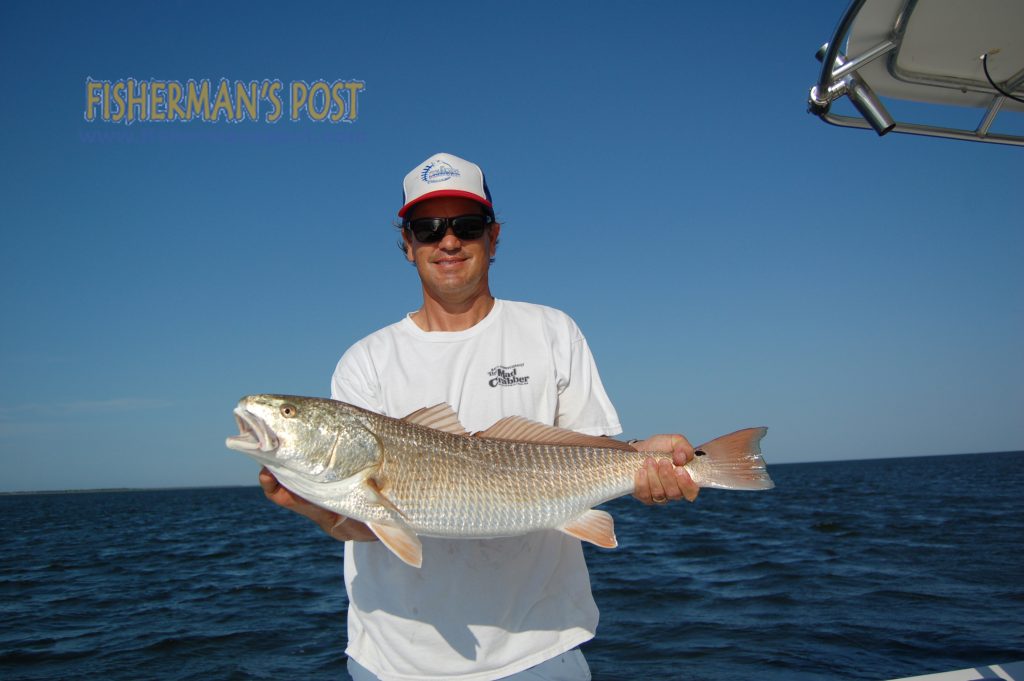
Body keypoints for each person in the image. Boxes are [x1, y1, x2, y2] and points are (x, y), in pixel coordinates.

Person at [259, 152, 699, 681]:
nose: (447, 241)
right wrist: (315, 508)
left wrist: (643, 462)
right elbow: (365, 524)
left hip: (542, 647)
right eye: (427, 228)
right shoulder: (365, 361)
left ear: (494, 238)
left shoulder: (553, 331)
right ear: (406, 244)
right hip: (395, 660)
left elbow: (587, 451)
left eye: (466, 226)